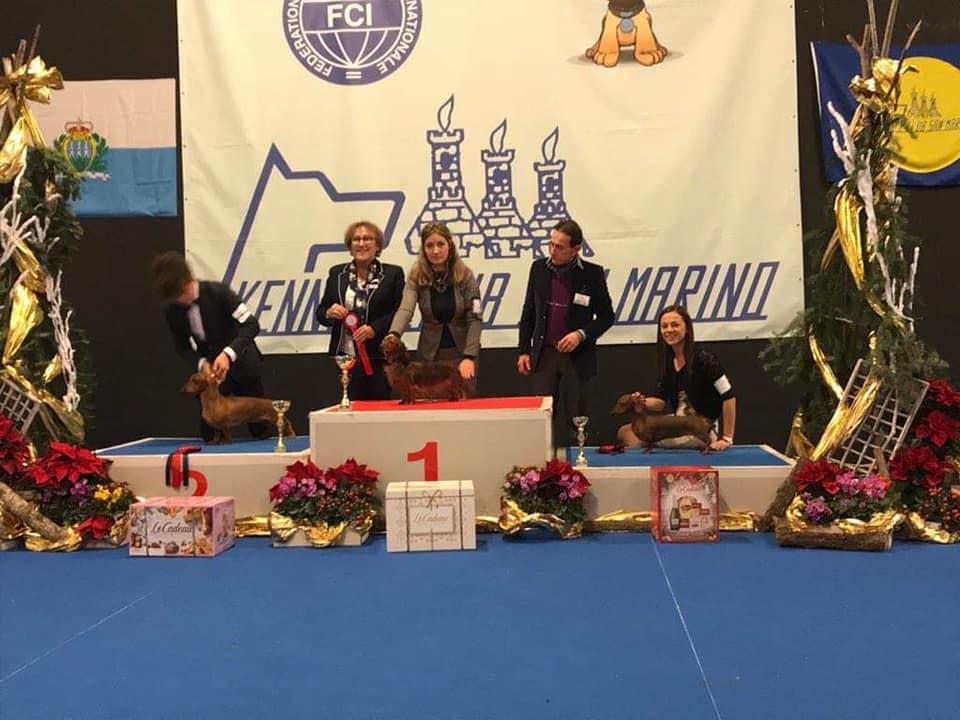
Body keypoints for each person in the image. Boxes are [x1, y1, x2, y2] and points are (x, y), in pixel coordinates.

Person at [151, 251, 269, 440]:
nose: (182, 299)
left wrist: (228, 354)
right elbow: (182, 347)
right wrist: (201, 363)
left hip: (244, 367)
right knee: (210, 436)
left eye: (184, 292)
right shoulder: (173, 311)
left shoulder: (219, 293)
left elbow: (251, 325)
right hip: (210, 383)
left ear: (190, 278)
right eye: (176, 297)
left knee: (263, 431)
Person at [517, 219, 614, 444]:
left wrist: (581, 334)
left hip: (577, 357)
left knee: (577, 415)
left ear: (576, 249)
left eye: (560, 246)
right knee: (542, 415)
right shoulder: (539, 268)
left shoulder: (592, 274)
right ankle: (542, 462)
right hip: (545, 353)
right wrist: (524, 350)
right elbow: (529, 311)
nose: (553, 250)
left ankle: (579, 460)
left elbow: (607, 317)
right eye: (551, 244)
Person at [617, 304, 736, 451]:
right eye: (664, 326)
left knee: (639, 438)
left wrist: (727, 438)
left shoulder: (706, 360)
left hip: (700, 425)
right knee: (625, 432)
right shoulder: (668, 361)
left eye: (675, 325)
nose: (669, 330)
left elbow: (729, 397)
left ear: (687, 328)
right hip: (679, 422)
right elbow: (660, 402)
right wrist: (640, 401)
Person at [387, 222, 482, 395]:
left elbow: (475, 318)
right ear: (423, 249)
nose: (436, 251)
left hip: (461, 356)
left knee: (461, 400)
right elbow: (406, 309)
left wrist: (469, 356)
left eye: (440, 244)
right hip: (429, 357)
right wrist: (394, 334)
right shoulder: (416, 276)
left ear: (449, 245)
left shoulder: (466, 276)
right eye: (429, 246)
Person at [316, 221, 404, 400]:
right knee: (349, 405)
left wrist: (374, 329)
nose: (361, 243)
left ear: (377, 245)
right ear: (350, 246)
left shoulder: (392, 274)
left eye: (367, 238)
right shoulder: (337, 274)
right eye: (356, 239)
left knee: (380, 407)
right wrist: (329, 313)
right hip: (346, 358)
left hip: (379, 357)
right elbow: (321, 312)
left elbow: (399, 311)